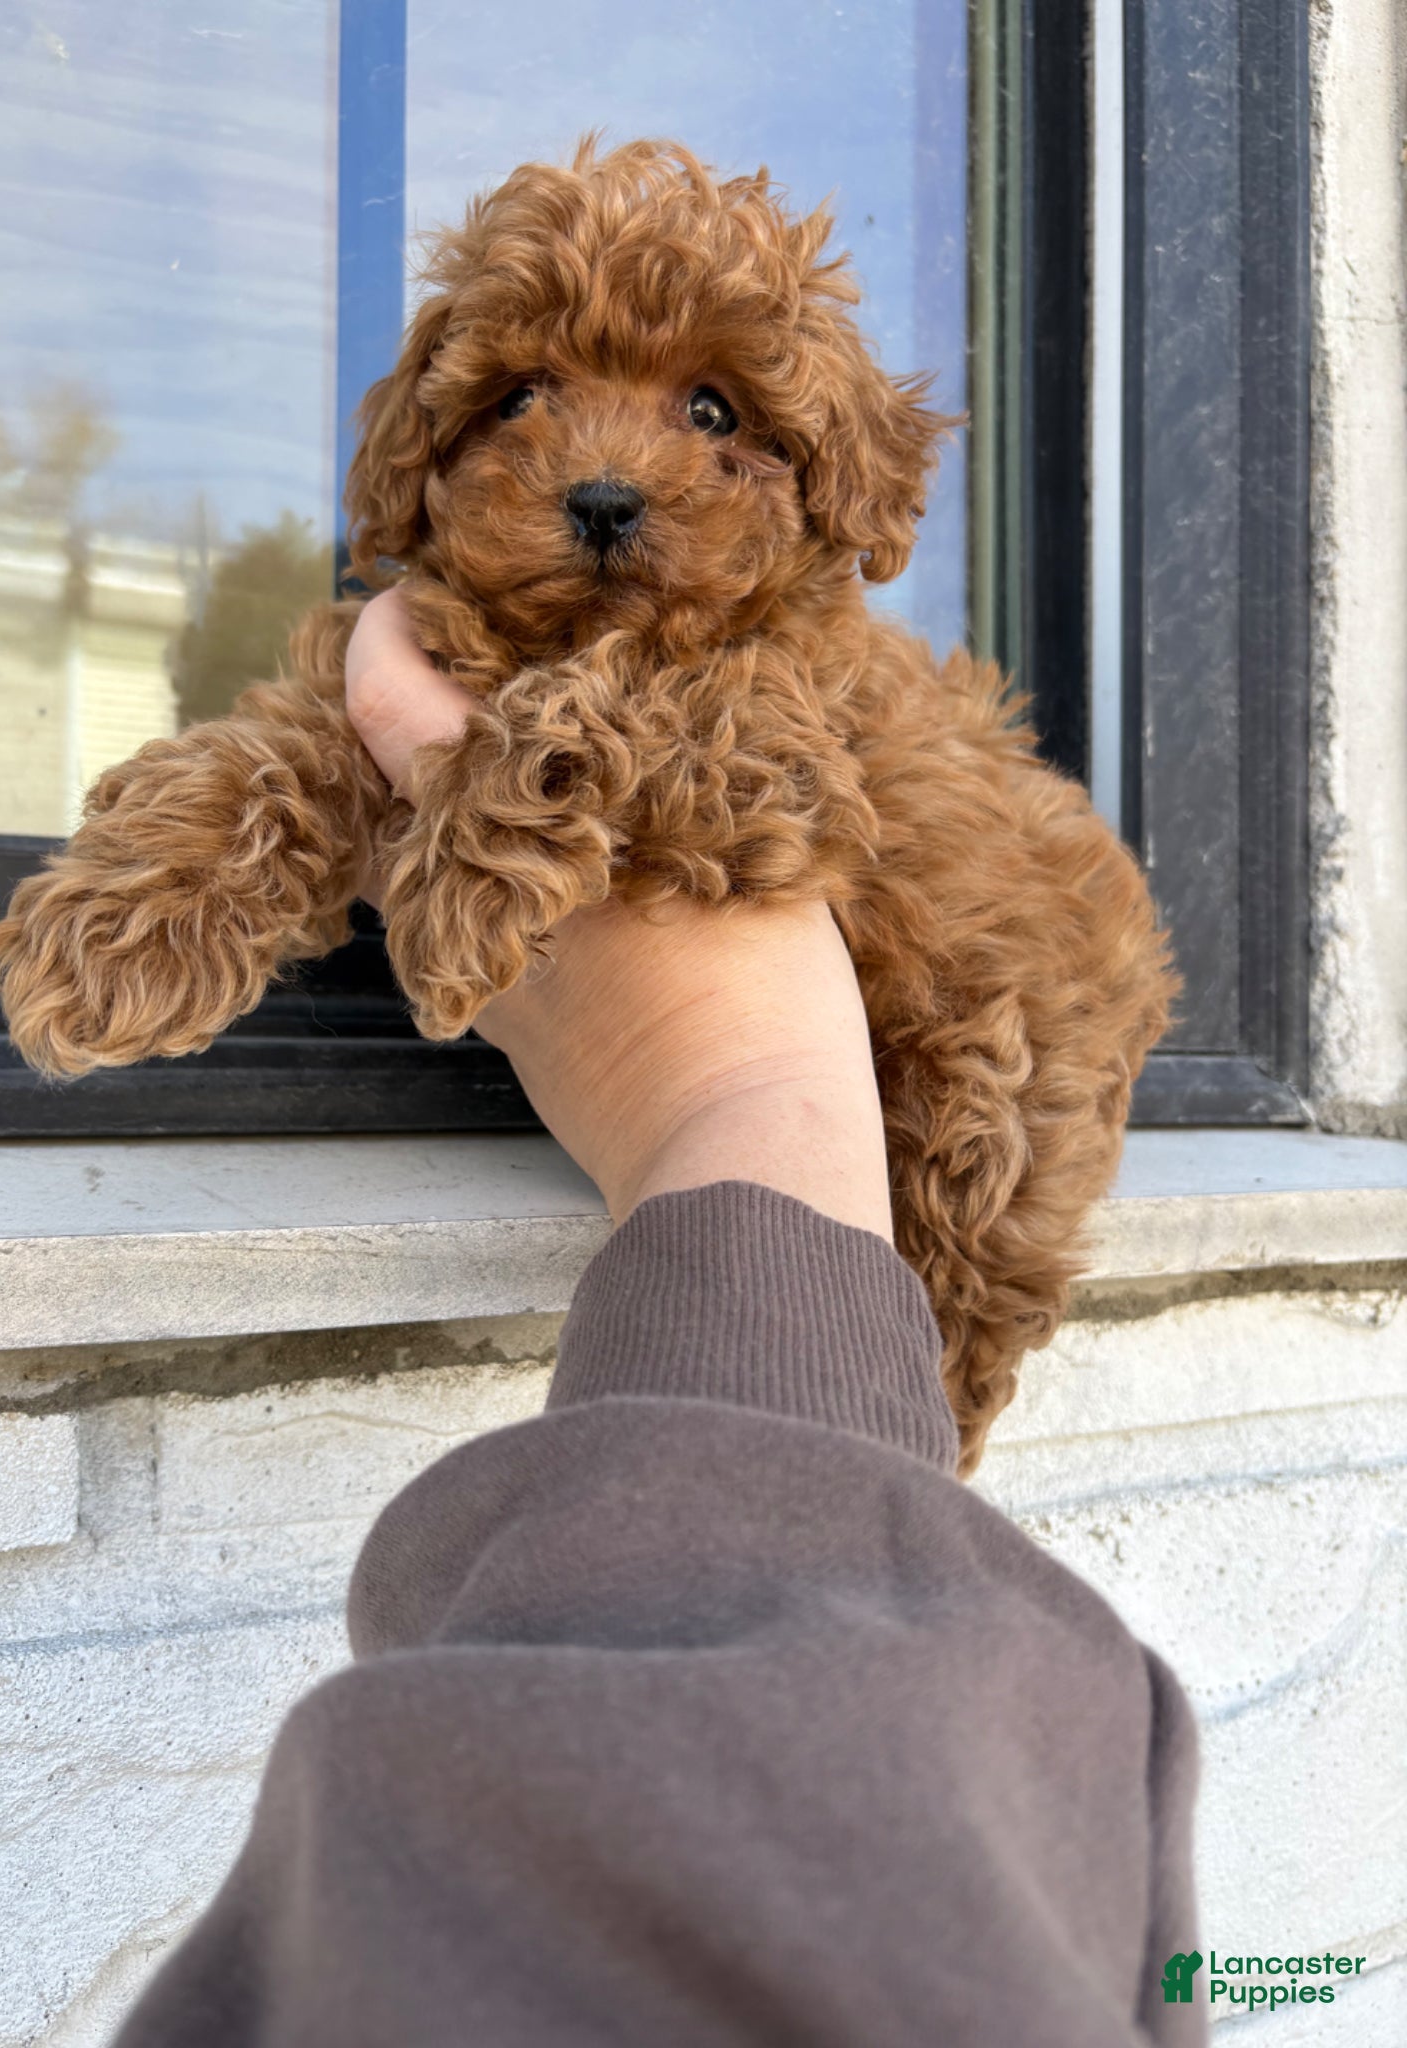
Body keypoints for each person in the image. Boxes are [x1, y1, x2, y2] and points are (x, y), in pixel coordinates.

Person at [112, 591, 1205, 2046]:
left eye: (718, 417)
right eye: (521, 402)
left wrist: (727, 1091)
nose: (615, 475)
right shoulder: (1077, 1831)